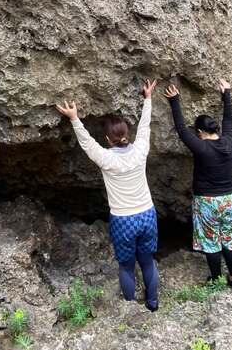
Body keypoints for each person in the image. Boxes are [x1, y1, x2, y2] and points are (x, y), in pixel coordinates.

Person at [55, 80, 160, 312]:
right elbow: (145, 126)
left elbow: (86, 143)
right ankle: (153, 304)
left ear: (107, 140)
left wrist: (74, 118)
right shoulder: (141, 150)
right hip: (147, 214)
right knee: (147, 262)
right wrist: (148, 98)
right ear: (127, 134)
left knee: (125, 266)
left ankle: (131, 309)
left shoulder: (107, 159)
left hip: (123, 220)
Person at [162, 79, 232, 290]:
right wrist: (226, 94)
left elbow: (181, 130)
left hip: (207, 202)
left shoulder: (202, 147)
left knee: (211, 242)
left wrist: (174, 102)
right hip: (229, 199)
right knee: (229, 239)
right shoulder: (230, 142)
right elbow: (229, 120)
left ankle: (216, 280)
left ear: (200, 132)